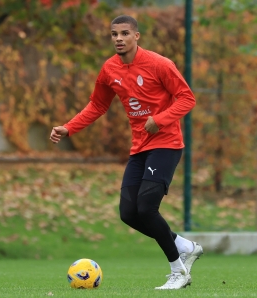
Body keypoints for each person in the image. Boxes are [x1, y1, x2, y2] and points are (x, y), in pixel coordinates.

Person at [49, 15, 202, 290]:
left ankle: (179, 271)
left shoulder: (160, 64)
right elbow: (97, 105)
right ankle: (184, 245)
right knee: (129, 213)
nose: (118, 38)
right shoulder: (109, 69)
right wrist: (68, 128)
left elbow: (187, 98)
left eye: (124, 33)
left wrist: (161, 119)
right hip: (139, 147)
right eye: (114, 34)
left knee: (146, 207)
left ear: (136, 36)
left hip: (166, 144)